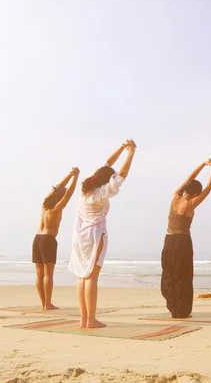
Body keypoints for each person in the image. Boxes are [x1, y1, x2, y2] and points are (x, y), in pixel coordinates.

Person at [69, 139, 137, 328]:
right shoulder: (100, 193)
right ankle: (90, 319)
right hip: (95, 235)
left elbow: (107, 164)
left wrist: (123, 148)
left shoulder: (86, 189)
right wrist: (131, 153)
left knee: (82, 276)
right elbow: (121, 175)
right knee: (91, 276)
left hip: (80, 237)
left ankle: (84, 319)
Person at [161, 159, 211, 318]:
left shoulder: (175, 197)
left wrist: (202, 165)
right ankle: (182, 311)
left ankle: (173, 308)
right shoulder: (191, 203)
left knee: (169, 274)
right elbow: (209, 187)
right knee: (183, 276)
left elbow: (188, 180)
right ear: (195, 193)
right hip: (182, 242)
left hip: (168, 241)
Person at [33, 167, 80, 310]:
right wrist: (75, 177)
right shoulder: (57, 208)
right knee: (48, 274)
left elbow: (58, 187)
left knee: (39, 274)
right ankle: (48, 303)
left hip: (37, 239)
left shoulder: (44, 206)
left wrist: (69, 175)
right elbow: (69, 192)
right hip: (48, 240)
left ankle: (43, 304)